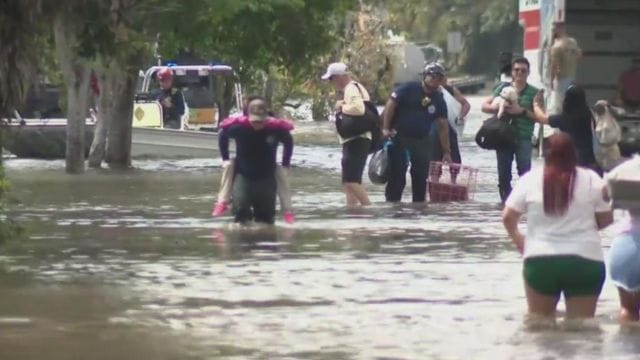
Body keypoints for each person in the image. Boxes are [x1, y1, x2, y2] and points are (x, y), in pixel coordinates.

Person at [502, 133, 613, 320]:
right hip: (585, 261)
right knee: (582, 329)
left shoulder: (530, 179)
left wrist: (519, 240)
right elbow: (607, 218)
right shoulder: (592, 179)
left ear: (545, 154)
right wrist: (585, 226)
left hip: (541, 261)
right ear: (573, 154)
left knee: (539, 327)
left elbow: (508, 217)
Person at [211, 96, 295, 224]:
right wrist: (225, 158)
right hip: (243, 175)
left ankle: (286, 212)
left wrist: (286, 163)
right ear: (248, 117)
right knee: (241, 211)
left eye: (260, 121)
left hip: (267, 176)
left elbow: (289, 142)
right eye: (254, 121)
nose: (257, 125)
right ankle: (224, 205)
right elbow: (222, 135)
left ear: (266, 118)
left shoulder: (275, 129)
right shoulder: (239, 128)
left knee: (266, 219)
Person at [382, 63, 451, 202]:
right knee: (398, 176)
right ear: (425, 76)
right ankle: (393, 207)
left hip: (422, 141)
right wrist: (385, 127)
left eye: (439, 77)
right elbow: (391, 105)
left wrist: (447, 151)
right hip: (399, 138)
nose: (435, 79)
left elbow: (443, 126)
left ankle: (418, 210)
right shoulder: (408, 88)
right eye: (432, 76)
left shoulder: (439, 98)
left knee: (420, 178)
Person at [481, 57, 540, 203]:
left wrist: (522, 112)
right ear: (512, 72)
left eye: (523, 70)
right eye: (516, 70)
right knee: (504, 175)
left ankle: (524, 204)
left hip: (524, 137)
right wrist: (497, 107)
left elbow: (541, 118)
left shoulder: (535, 93)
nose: (520, 73)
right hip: (502, 137)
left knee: (525, 173)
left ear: (528, 73)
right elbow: (484, 106)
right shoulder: (502, 88)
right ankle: (505, 206)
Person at [322, 62, 371, 207]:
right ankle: (352, 213)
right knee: (348, 183)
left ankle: (368, 210)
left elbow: (358, 109)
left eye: (331, 79)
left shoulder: (350, 88)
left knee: (351, 180)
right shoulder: (357, 87)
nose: (332, 83)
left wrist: (341, 106)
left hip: (357, 139)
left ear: (339, 77)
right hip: (358, 138)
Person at [533, 85, 600, 174]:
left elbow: (542, 118)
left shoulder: (566, 119)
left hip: (573, 160)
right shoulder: (589, 114)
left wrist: (536, 104)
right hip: (590, 159)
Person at [605, 156, 640, 322]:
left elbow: (605, 191)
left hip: (626, 246)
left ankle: (624, 346)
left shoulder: (631, 167)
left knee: (628, 311)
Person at [432, 65, 470, 166]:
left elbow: (466, 104)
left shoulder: (449, 89)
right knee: (434, 157)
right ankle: (434, 179)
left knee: (455, 157)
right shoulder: (426, 90)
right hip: (432, 127)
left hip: (450, 126)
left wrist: (460, 117)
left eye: (442, 76)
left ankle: (454, 179)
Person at [547, 22, 582, 115]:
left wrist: (551, 80)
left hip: (561, 78)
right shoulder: (573, 42)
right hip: (572, 76)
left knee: (561, 104)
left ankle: (562, 125)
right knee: (571, 101)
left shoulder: (556, 46)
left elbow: (553, 65)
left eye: (554, 29)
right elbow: (579, 55)